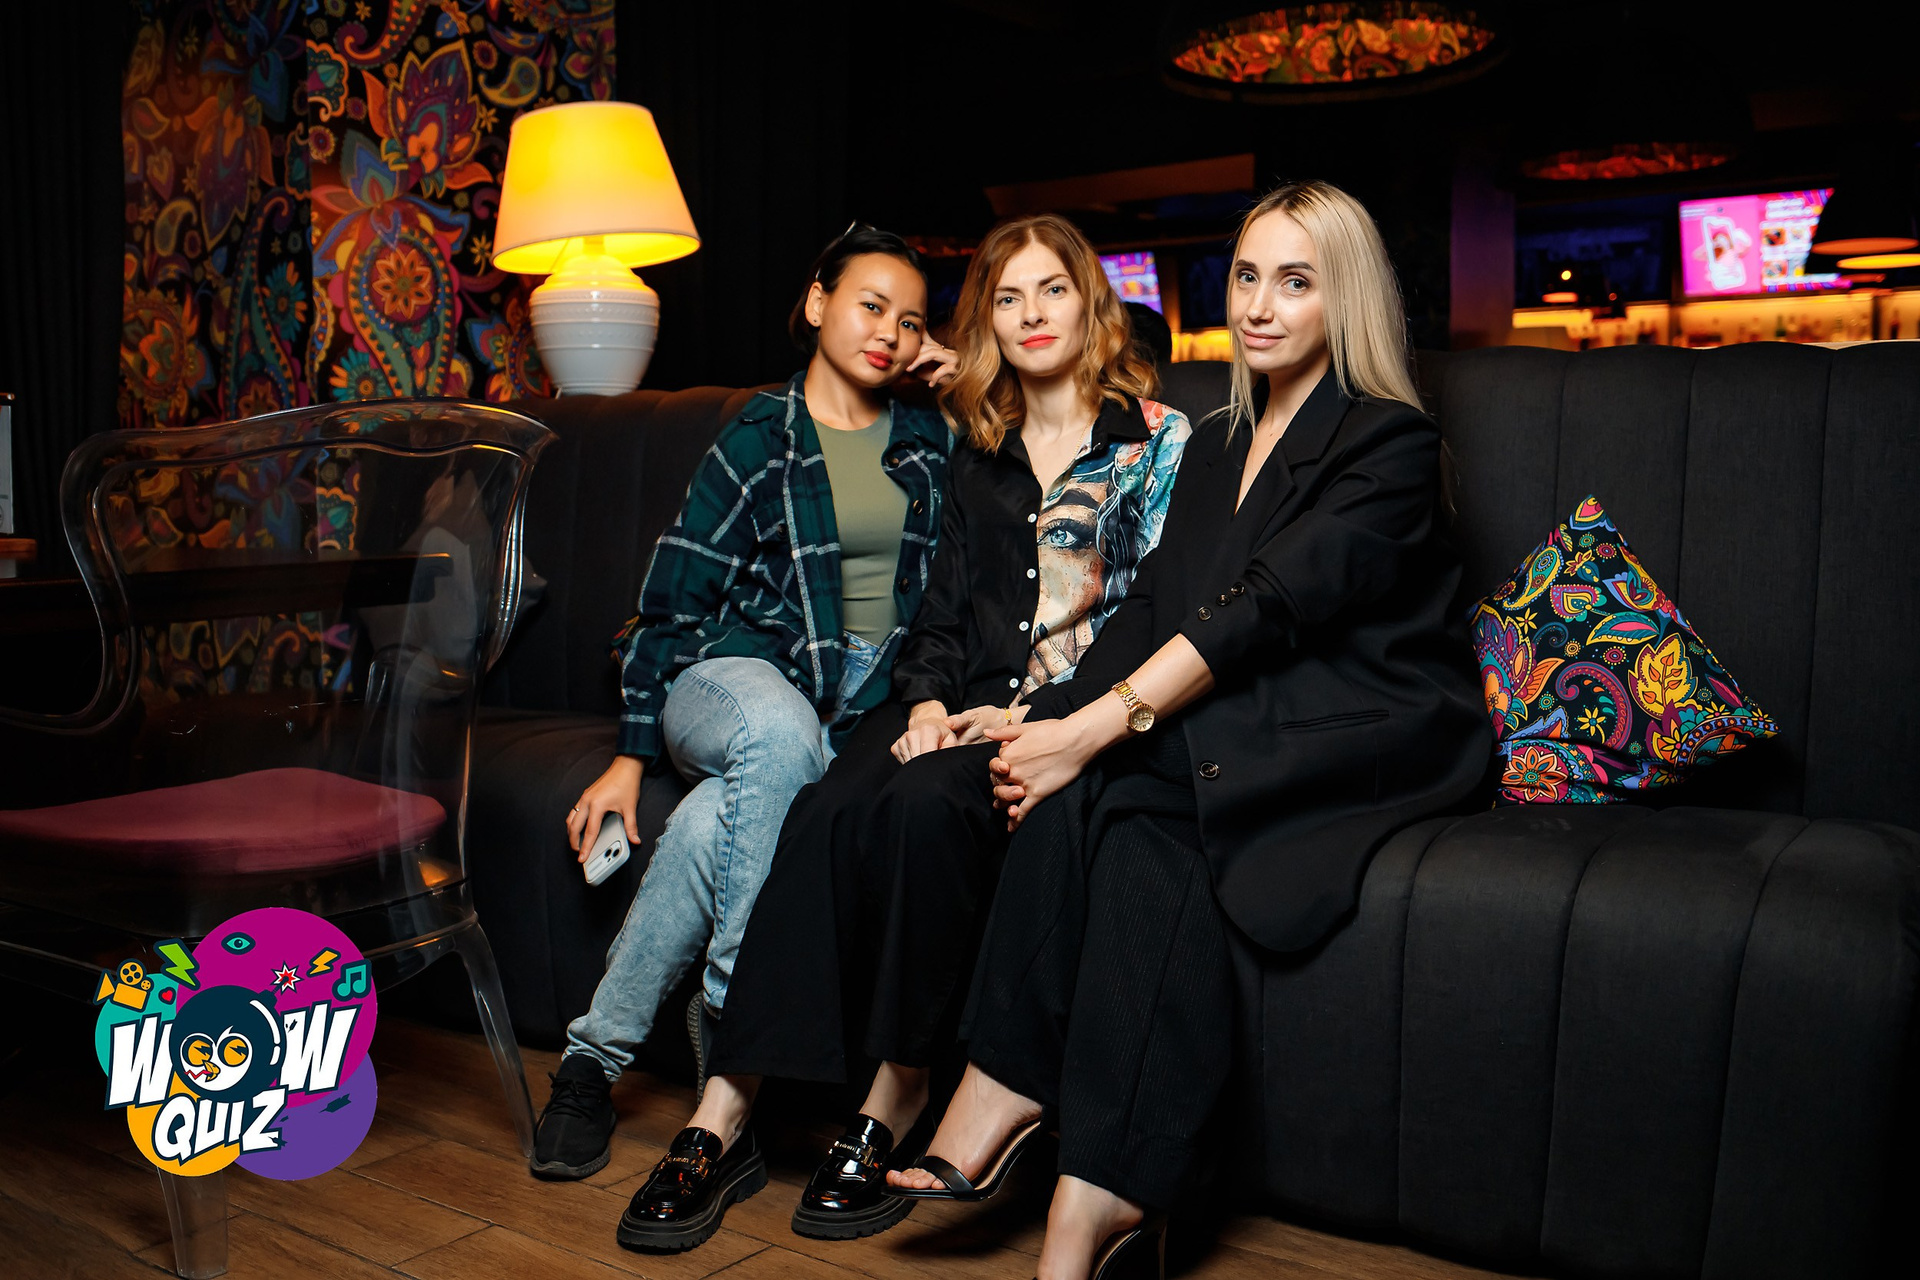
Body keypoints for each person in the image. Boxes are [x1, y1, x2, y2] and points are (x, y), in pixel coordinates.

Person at [884, 181, 1492, 1280]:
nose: (1258, 306)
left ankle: (1016, 1093)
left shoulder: (1391, 440)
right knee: (1109, 803)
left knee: (1125, 768)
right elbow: (1157, 604)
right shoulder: (1219, 441)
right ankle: (1095, 1194)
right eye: (1247, 276)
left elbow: (1268, 603)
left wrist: (1097, 728)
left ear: (1345, 298)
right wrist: (1046, 723)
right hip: (1247, 701)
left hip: (1362, 719)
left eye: (1295, 282)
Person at [628, 213, 1191, 1252]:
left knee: (928, 806)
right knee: (827, 805)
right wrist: (927, 704)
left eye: (1053, 291)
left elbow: (1156, 609)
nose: (1031, 315)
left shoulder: (1156, 441)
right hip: (955, 696)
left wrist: (1039, 715)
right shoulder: (975, 451)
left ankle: (895, 1095)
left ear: (1092, 303)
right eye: (1007, 298)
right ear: (988, 322)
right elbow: (938, 610)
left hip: (1067, 714)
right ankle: (725, 1108)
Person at [526, 226, 956, 1201]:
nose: (889, 332)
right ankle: (739, 1031)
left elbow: (1047, 415)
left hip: (845, 708)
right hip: (726, 676)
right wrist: (630, 756)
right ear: (817, 302)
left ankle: (590, 1062)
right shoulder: (762, 433)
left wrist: (962, 367)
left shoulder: (929, 440)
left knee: (715, 820)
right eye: (870, 305)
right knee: (775, 733)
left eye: (911, 320)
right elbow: (671, 599)